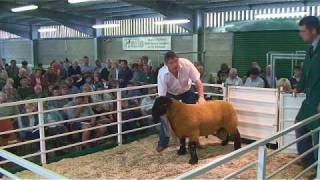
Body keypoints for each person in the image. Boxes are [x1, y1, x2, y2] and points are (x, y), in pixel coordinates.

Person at [156, 51, 205, 152]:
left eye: (176, 61)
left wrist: (201, 97)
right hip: (170, 95)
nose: (175, 64)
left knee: (194, 117)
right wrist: (164, 111)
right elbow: (162, 96)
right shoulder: (162, 74)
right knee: (166, 118)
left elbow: (198, 82)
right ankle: (163, 142)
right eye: (171, 63)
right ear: (166, 64)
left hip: (187, 91)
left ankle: (195, 140)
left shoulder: (187, 64)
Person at [294, 16, 320, 168]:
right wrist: (298, 87)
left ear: (314, 30)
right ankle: (309, 163)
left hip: (318, 100)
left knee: (317, 133)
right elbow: (305, 73)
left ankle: (317, 169)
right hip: (310, 100)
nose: (300, 34)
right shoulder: (310, 49)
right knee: (300, 125)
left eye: (303, 31)